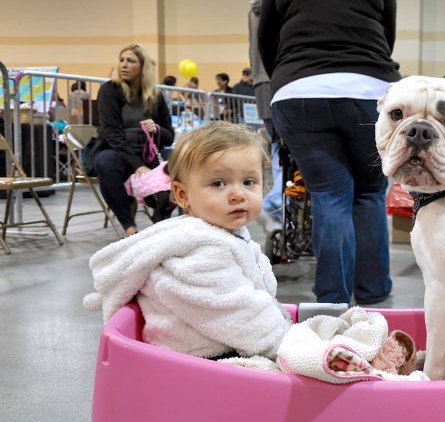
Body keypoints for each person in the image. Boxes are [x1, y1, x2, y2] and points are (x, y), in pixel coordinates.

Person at [258, 0, 401, 305]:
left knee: (329, 193)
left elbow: (267, 38)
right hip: (368, 91)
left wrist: (290, 74)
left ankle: (332, 298)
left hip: (299, 91)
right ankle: (373, 290)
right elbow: (387, 31)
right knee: (368, 193)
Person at [84, 122, 291, 360]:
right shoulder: (199, 251)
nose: (238, 194)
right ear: (183, 195)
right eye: (218, 184)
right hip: (202, 363)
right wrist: (297, 346)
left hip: (231, 345)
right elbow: (242, 318)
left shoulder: (224, 232)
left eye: (248, 182)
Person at [92, 44, 175, 236]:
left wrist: (158, 129)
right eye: (121, 60)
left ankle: (163, 220)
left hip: (149, 151)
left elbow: (169, 136)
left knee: (179, 163)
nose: (124, 65)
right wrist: (137, 165)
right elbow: (112, 134)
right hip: (117, 150)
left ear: (142, 66)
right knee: (105, 162)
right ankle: (130, 226)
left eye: (130, 61)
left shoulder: (155, 96)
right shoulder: (109, 90)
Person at [248, 0, 282, 229]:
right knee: (295, 157)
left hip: (262, 84)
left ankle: (275, 206)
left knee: (279, 151)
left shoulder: (254, 5)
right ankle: (273, 206)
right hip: (284, 82)